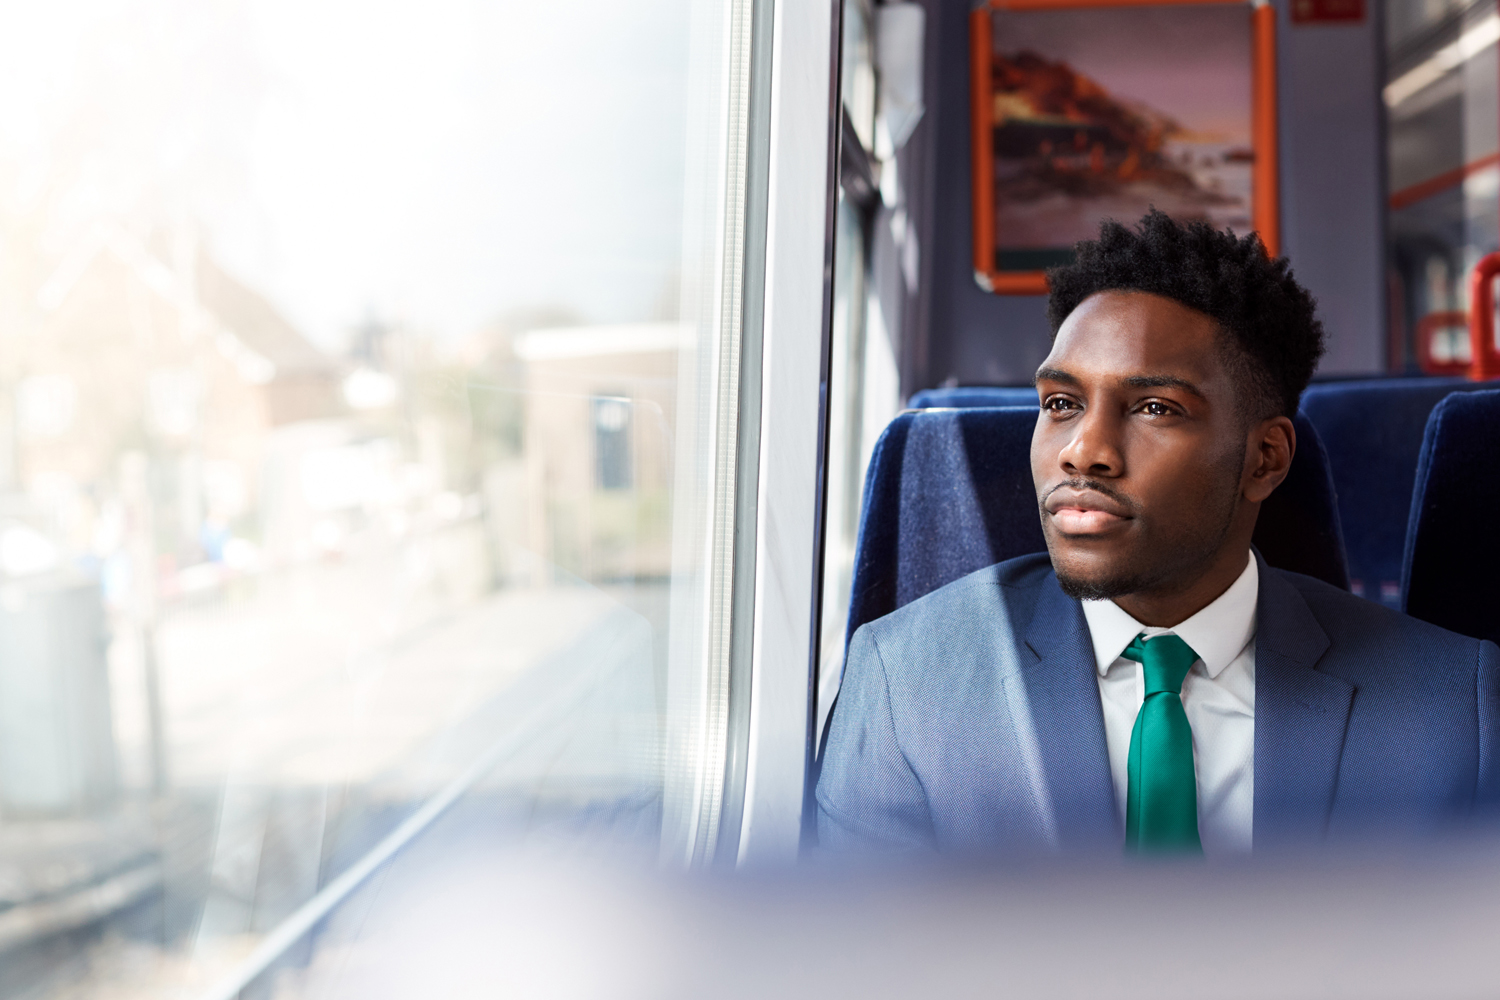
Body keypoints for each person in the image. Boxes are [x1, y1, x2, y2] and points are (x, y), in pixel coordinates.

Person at [815, 211, 1500, 856]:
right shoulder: (907, 681)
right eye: (1061, 403)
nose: (1083, 451)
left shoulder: (1453, 708)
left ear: (1265, 459)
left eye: (1153, 407)